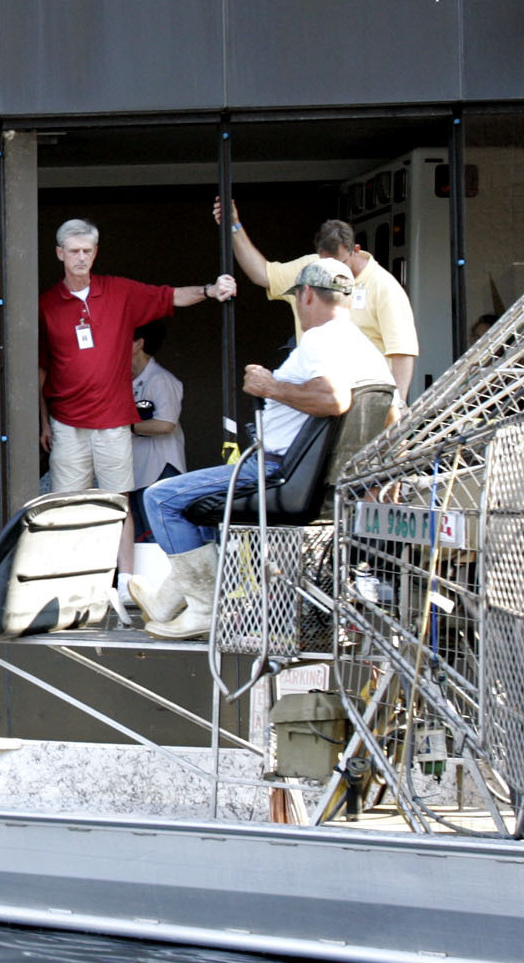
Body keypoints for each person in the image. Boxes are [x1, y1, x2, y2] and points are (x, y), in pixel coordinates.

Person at [131, 259, 392, 640]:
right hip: (325, 484)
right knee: (199, 504)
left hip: (277, 471)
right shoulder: (367, 350)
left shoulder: (321, 338)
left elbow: (333, 399)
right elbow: (394, 416)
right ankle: (168, 601)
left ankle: (203, 609)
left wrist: (271, 387)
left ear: (305, 296)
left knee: (162, 498)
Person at [38, 218, 233, 583]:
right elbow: (40, 370)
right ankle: (68, 583)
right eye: (74, 251)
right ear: (60, 254)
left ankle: (127, 584)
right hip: (67, 421)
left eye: (88, 250)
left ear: (95, 253)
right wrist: (42, 421)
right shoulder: (46, 303)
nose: (81, 257)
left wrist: (210, 290)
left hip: (113, 420)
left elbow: (169, 295)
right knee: (67, 507)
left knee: (118, 503)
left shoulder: (119, 291)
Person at [218, 200, 418, 399]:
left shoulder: (384, 286)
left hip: (362, 398)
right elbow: (263, 274)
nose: (331, 271)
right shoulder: (311, 268)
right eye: (325, 263)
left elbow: (402, 351)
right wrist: (234, 227)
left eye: (340, 263)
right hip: (314, 394)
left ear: (355, 250)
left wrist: (396, 406)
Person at [128, 320, 185, 492]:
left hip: (161, 470)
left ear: (138, 344)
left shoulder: (161, 379)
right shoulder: (127, 380)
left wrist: (124, 426)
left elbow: (166, 424)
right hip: (138, 470)